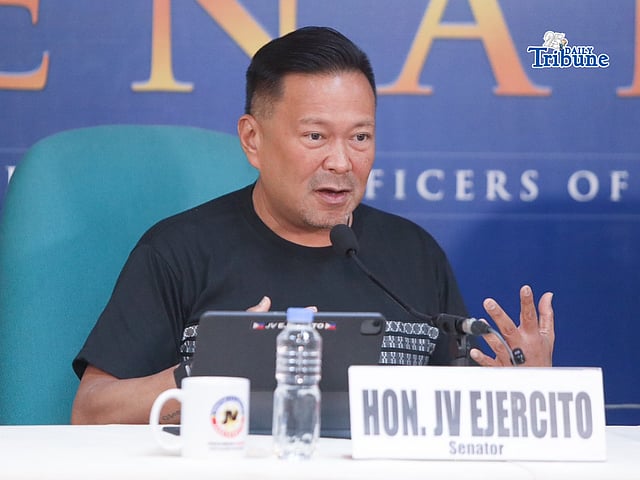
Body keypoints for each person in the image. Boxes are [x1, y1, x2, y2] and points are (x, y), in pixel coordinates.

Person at [71, 26, 554, 425]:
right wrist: (202, 375)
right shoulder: (179, 250)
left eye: (360, 137)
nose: (341, 162)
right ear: (253, 139)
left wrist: (526, 391)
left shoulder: (415, 252)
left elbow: (459, 422)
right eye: (316, 136)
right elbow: (91, 413)